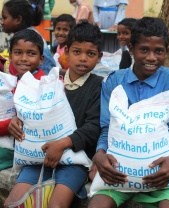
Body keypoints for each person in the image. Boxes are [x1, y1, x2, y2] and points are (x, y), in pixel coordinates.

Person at [88, 17, 169, 208]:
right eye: (144, 50)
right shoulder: (114, 81)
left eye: (158, 51)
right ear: (131, 48)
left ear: (166, 52)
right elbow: (106, 127)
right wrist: (100, 154)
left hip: (162, 173)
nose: (151, 57)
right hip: (119, 173)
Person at [4, 20, 103, 208]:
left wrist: (62, 144)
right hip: (38, 158)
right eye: (76, 52)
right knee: (13, 202)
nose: (82, 58)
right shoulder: (51, 81)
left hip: (74, 161)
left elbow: (93, 127)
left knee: (56, 205)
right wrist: (17, 119)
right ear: (66, 52)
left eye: (90, 54)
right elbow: (33, 111)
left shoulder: (98, 86)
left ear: (99, 57)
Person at [0, 29, 45, 173]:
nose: (24, 58)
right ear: (10, 56)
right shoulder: (12, 80)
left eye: (31, 53)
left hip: (21, 146)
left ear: (41, 59)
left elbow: (27, 120)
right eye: (18, 52)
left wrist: (6, 124)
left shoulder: (41, 84)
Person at [0, 0, 55, 75]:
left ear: (18, 19)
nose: (1, 22)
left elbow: (47, 70)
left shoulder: (29, 38)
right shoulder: (21, 35)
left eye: (4, 18)